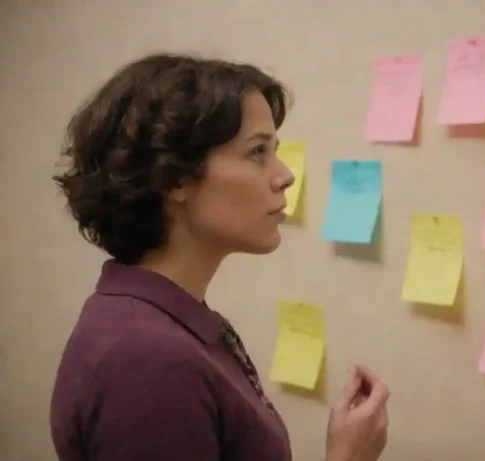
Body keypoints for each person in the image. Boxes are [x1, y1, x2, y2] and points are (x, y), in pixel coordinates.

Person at [49, 53, 389, 461]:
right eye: (257, 152)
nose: (285, 175)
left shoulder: (162, 324)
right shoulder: (147, 361)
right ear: (175, 178)